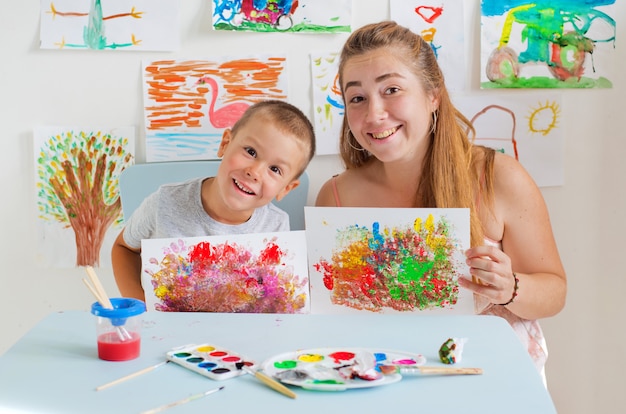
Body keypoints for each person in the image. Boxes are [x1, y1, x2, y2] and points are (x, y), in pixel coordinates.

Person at [315, 21, 566, 381]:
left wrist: (510, 287)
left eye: (392, 90)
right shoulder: (336, 196)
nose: (373, 114)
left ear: (433, 95)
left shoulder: (498, 177)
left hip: (494, 378)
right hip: (383, 381)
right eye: (357, 98)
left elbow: (555, 292)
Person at [113, 100, 316, 301]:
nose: (254, 172)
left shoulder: (277, 227)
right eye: (251, 152)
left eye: (274, 169)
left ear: (286, 189)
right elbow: (123, 248)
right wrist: (140, 304)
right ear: (225, 144)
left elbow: (272, 296)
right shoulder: (165, 202)